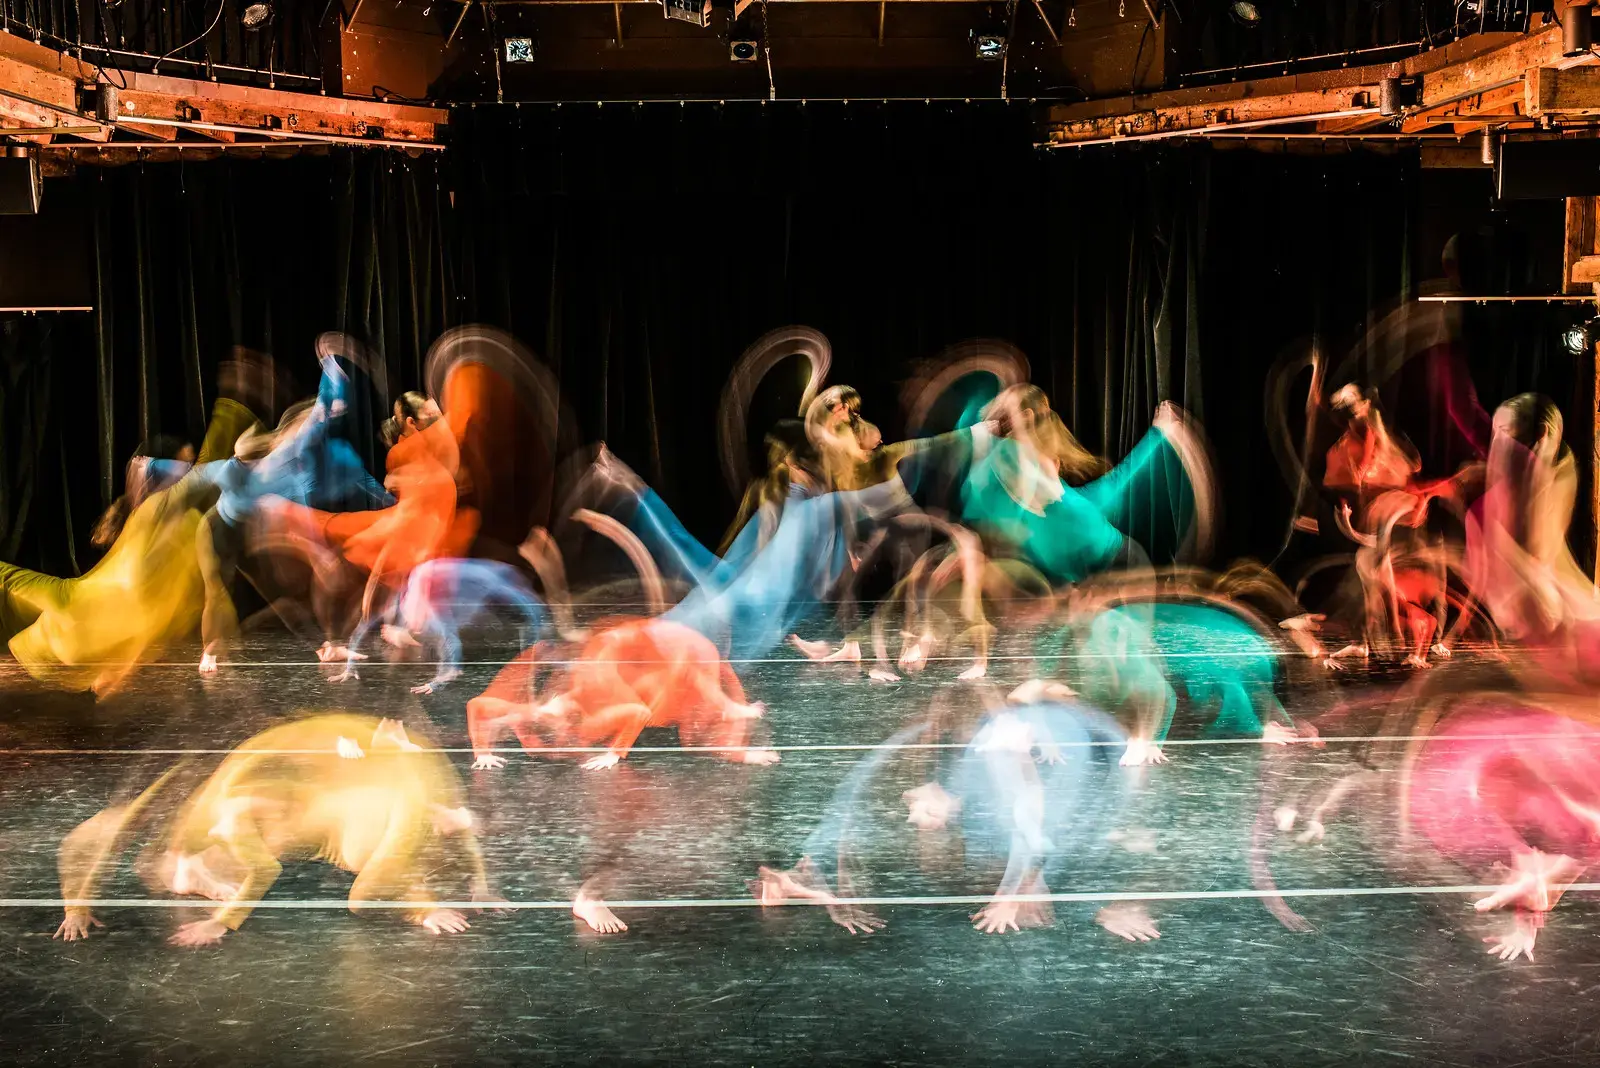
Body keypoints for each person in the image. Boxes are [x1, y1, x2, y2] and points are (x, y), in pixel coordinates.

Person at [55, 714, 492, 946]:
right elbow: (122, 829)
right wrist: (77, 902)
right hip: (348, 814)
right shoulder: (229, 808)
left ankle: (191, 871)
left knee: (368, 883)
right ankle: (189, 872)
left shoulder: (246, 803)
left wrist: (222, 924)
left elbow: (266, 870)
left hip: (353, 820)